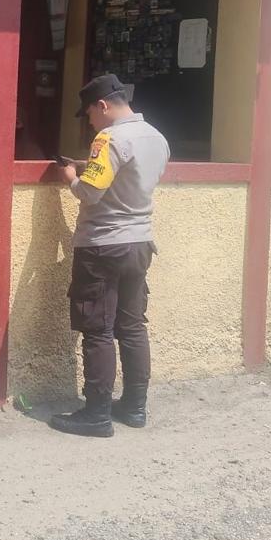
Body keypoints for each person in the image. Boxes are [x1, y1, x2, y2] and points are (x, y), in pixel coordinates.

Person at [51, 73, 168, 438]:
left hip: (103, 245)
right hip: (140, 243)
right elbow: (127, 179)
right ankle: (134, 407)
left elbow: (90, 193)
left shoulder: (109, 139)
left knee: (97, 329)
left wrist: (70, 176)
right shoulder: (156, 137)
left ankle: (96, 414)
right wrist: (90, 167)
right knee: (132, 326)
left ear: (102, 105)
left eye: (89, 113)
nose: (89, 121)